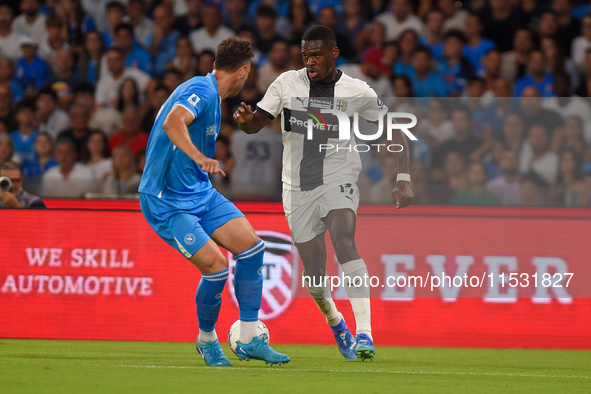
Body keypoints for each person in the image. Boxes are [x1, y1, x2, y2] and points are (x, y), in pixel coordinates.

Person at [234, 25, 414, 361]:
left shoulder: (356, 90)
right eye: (305, 54)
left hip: (338, 176)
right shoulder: (286, 83)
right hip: (296, 186)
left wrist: (403, 175)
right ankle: (336, 321)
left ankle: (365, 335)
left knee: (344, 239)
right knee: (315, 276)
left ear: (334, 53)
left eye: (316, 53)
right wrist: (245, 120)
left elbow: (395, 129)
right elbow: (256, 122)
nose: (309, 60)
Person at [138, 36, 289, 367]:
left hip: (198, 192)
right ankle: (207, 340)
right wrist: (199, 157)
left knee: (252, 249)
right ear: (244, 71)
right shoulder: (203, 91)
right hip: (167, 200)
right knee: (217, 268)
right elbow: (172, 122)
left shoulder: (215, 98)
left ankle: (249, 338)